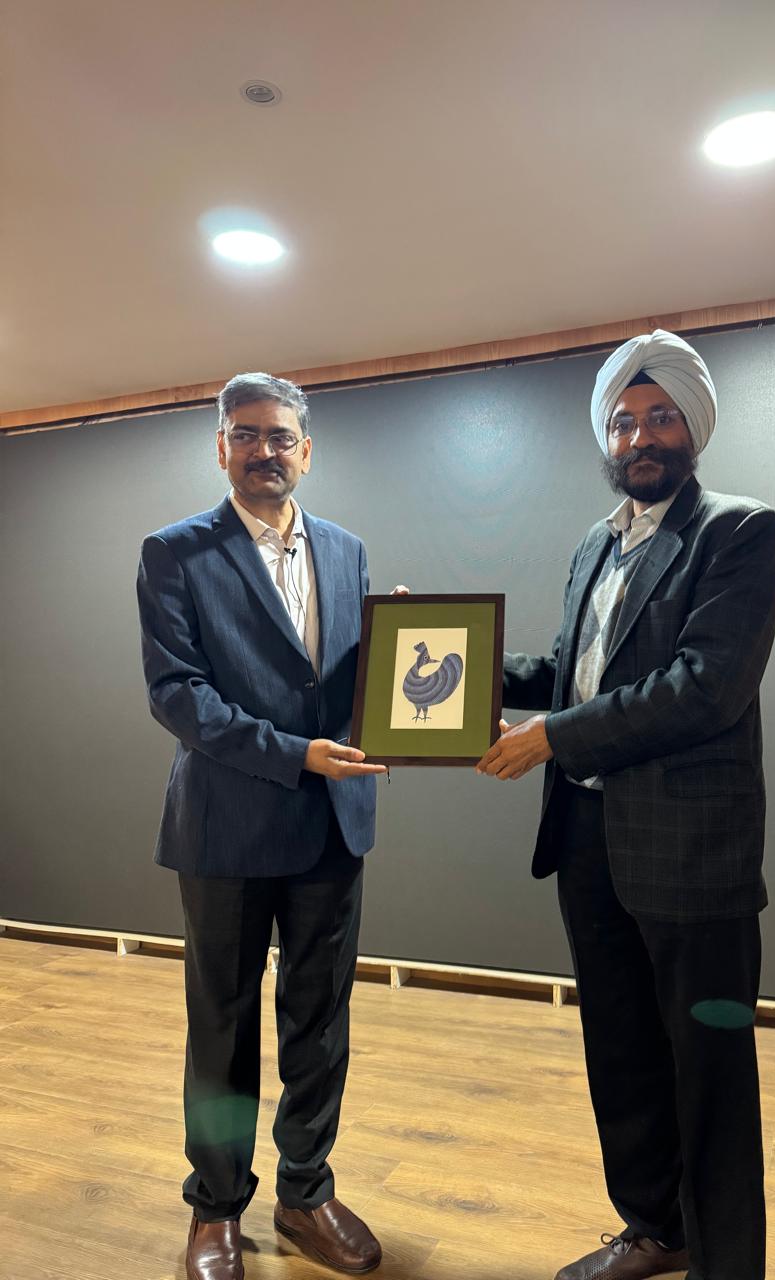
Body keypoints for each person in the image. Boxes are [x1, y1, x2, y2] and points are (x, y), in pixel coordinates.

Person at [477, 331, 775, 1280]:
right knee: (619, 1050)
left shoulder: (741, 531)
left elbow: (703, 687)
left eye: (659, 418)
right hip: (588, 841)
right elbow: (572, 673)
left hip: (692, 852)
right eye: (623, 421)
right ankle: (655, 1227)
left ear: (693, 427)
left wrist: (553, 738)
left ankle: (726, 1265)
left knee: (710, 1069)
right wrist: (442, 653)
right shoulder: (596, 544)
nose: (640, 436)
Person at [136, 373, 386, 1280]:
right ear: (221, 448)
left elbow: (357, 679)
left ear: (305, 451)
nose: (263, 450)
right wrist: (297, 755)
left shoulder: (348, 551)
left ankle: (306, 1191)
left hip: (331, 827)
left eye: (280, 436)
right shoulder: (175, 553)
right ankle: (215, 1207)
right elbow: (179, 696)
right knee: (223, 1024)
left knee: (319, 1020)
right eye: (245, 434)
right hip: (226, 830)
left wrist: (408, 653)